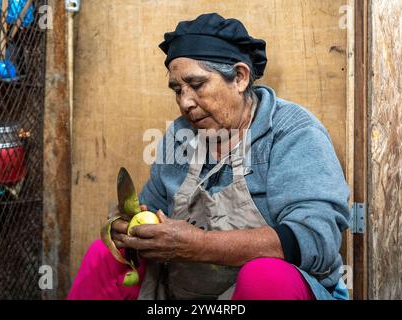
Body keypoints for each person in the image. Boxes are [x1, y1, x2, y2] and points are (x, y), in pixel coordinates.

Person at [68, 13, 351, 300]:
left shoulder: (292, 131)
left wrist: (201, 245)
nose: (185, 102)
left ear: (240, 78)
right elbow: (151, 208)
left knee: (266, 277)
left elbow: (317, 240)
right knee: (106, 256)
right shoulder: (180, 135)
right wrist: (130, 229)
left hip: (268, 291)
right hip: (188, 294)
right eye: (177, 90)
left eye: (197, 84)